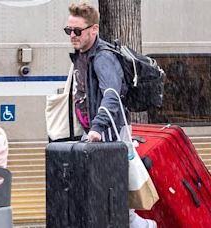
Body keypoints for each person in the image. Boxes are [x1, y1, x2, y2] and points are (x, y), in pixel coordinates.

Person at [65, 3, 157, 228]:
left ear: (93, 29)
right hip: (96, 136)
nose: (72, 36)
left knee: (115, 201)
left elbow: (112, 95)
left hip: (108, 136)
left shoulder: (103, 57)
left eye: (77, 31)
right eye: (68, 31)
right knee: (107, 200)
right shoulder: (82, 56)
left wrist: (97, 127)